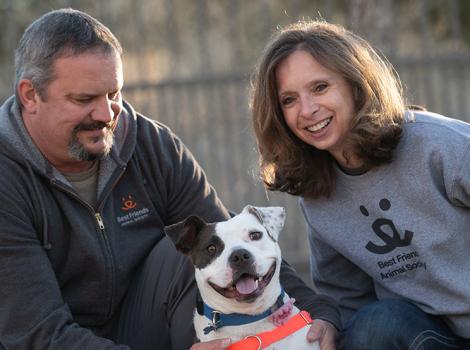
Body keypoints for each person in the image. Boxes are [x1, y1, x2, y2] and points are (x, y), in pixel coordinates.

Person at [0, 9, 341, 350]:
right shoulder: (7, 179)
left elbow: (227, 237)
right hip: (51, 339)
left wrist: (320, 313)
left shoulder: (151, 145)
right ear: (30, 95)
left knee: (201, 249)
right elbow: (35, 333)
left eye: (113, 94)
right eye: (84, 99)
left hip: (148, 326)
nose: (106, 114)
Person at [250, 19, 470, 350]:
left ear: (356, 84)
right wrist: (325, 323)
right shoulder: (318, 196)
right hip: (427, 336)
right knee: (374, 325)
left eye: (321, 87)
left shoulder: (440, 146)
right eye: (289, 100)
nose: (307, 110)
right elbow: (347, 300)